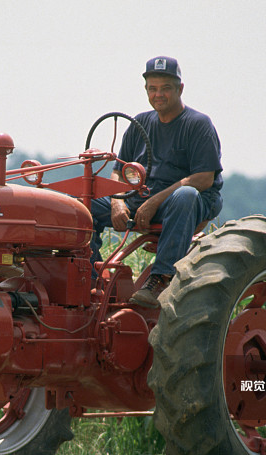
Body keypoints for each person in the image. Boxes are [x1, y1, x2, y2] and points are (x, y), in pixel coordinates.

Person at [90, 56, 223, 308]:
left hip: (184, 202)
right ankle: (89, 278)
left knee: (185, 195)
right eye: (153, 88)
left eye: (165, 88)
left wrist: (154, 201)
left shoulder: (197, 124)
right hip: (141, 198)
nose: (158, 94)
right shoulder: (140, 123)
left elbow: (203, 179)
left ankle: (160, 278)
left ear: (180, 89)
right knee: (83, 205)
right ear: (146, 90)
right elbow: (119, 170)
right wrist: (117, 202)